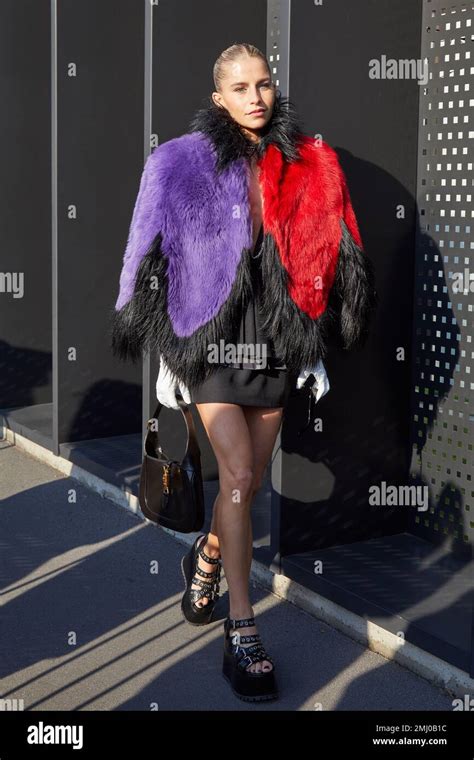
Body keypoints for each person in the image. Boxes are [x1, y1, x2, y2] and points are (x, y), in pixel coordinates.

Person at [110, 42, 377, 702]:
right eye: (240, 87)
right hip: (210, 339)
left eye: (263, 83)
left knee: (249, 482)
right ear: (218, 98)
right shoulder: (177, 161)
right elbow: (144, 249)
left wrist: (313, 342)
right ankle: (243, 624)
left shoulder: (310, 161)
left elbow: (339, 242)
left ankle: (204, 555)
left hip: (275, 340)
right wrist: (165, 348)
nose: (256, 96)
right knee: (233, 474)